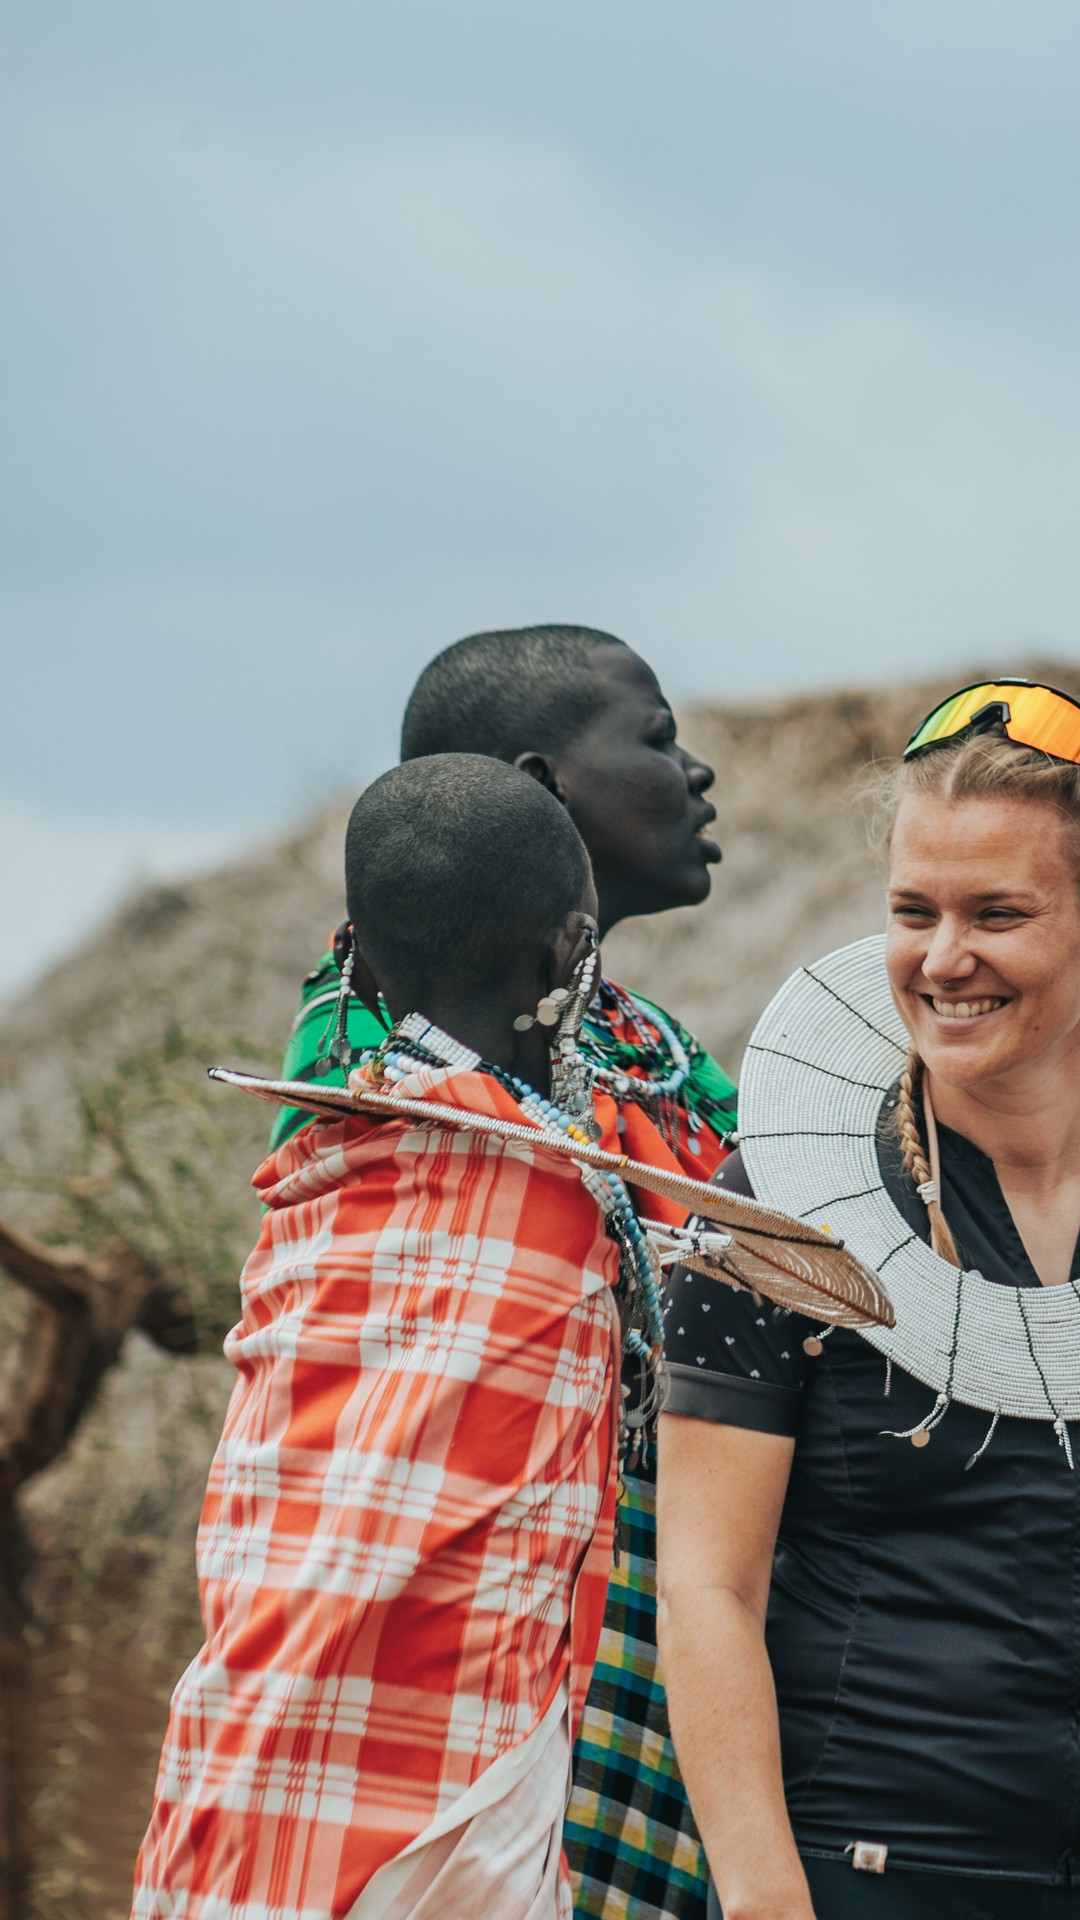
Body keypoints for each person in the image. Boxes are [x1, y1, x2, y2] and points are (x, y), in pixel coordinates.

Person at [653, 680, 1080, 1920]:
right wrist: (762, 1890)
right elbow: (710, 1583)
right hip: (867, 1869)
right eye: (912, 912)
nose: (941, 960)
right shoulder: (780, 1206)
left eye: (997, 914)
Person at [271, 624, 732, 1920]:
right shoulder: (380, 1071)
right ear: (542, 782)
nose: (696, 776)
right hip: (480, 1676)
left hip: (650, 1656)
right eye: (655, 740)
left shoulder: (646, 1050)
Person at [133, 757, 647, 1918]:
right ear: (572, 955)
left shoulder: (311, 1176)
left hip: (239, 1762)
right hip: (450, 1804)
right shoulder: (566, 1190)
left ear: (352, 956)